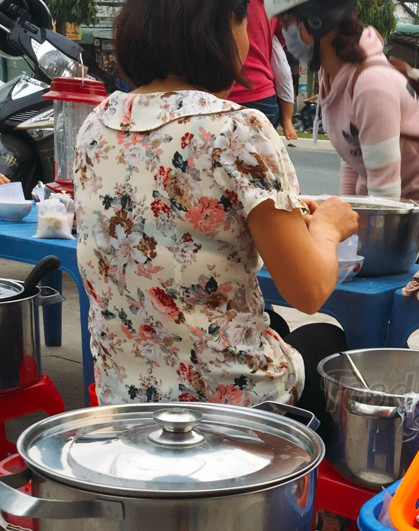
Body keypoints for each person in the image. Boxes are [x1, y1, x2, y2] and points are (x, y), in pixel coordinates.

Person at [73, 0, 358, 429]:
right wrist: (328, 228)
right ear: (225, 25)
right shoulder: (238, 131)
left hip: (126, 400)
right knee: (327, 337)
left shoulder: (95, 126)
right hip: (226, 408)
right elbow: (309, 290)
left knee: (275, 324)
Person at [267, 0, 419, 209]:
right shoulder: (330, 73)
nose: (285, 32)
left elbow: (385, 198)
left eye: (288, 22)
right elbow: (352, 150)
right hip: (393, 200)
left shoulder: (372, 85)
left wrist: (355, 223)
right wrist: (345, 212)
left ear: (316, 22)